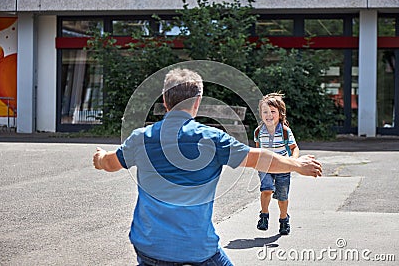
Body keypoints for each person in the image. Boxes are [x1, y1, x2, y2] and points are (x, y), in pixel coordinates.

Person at [93, 68, 322, 266]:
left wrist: (101, 157)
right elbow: (258, 158)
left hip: (151, 245)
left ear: (164, 101)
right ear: (197, 102)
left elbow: (111, 163)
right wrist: (297, 164)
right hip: (198, 246)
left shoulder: (141, 138)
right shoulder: (211, 139)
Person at [254, 93, 299, 235]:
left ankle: (284, 218)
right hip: (265, 166)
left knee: (282, 196)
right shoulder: (259, 131)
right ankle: (264, 215)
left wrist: (293, 161)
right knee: (266, 189)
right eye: (265, 112)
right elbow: (258, 148)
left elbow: (294, 148)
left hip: (282, 167)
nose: (269, 115)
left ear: (280, 114)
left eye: (273, 111)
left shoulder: (285, 131)